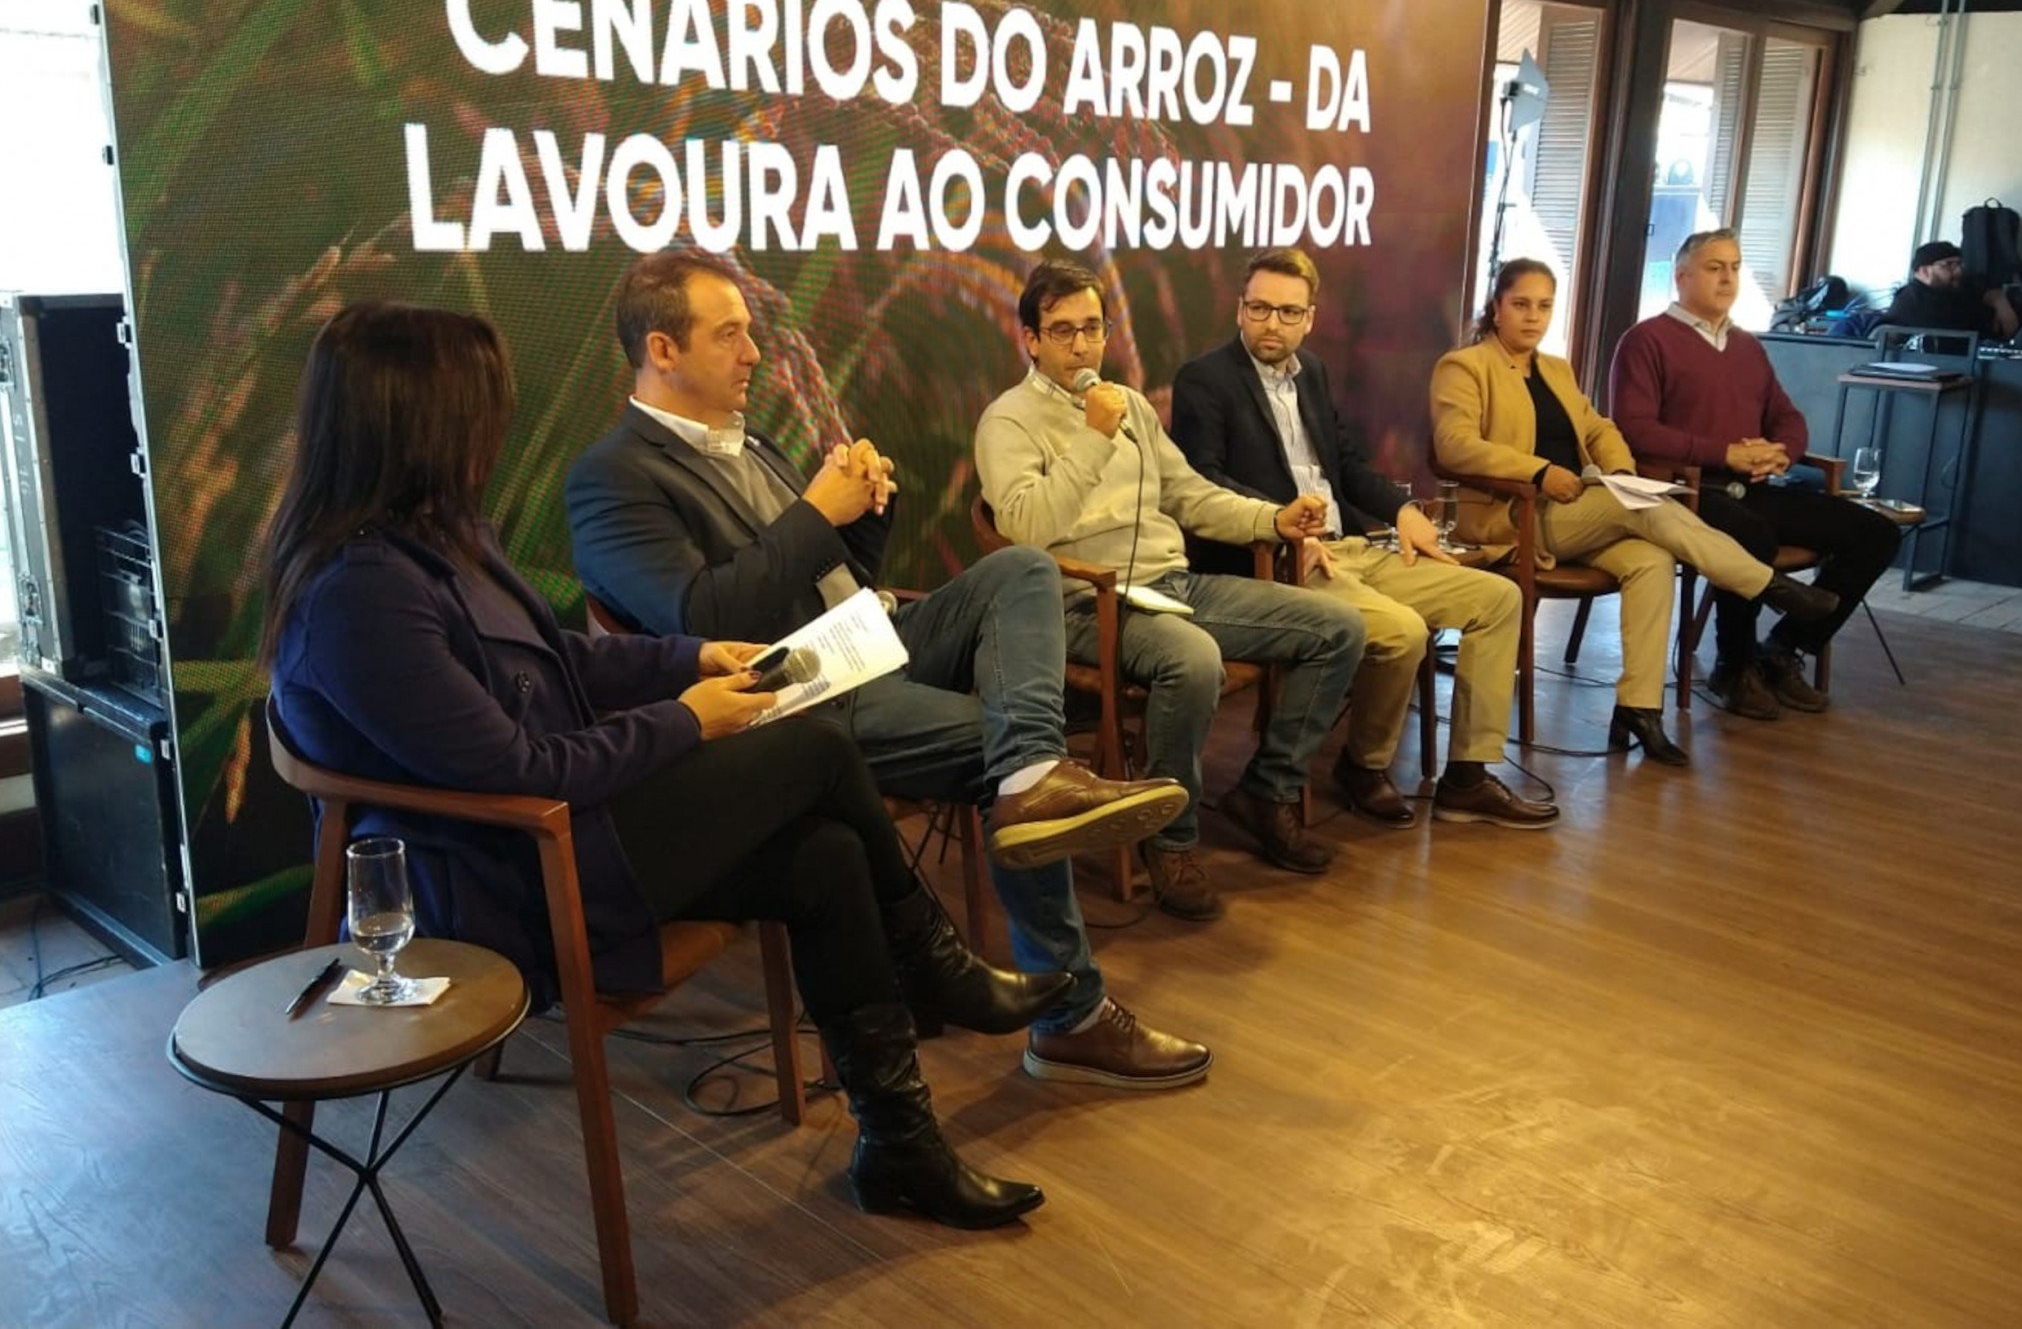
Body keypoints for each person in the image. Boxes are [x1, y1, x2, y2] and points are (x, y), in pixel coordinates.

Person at [264, 301, 1061, 1229]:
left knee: (825, 859)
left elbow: (565, 659)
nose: (496, 428)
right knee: (813, 744)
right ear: (418, 422)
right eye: (481, 409)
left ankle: (900, 1144)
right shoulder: (360, 594)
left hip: (575, 835)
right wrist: (687, 722)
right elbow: (520, 768)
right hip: (517, 881)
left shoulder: (434, 540)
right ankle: (934, 964)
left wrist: (690, 659)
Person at [566, 251, 1210, 1092]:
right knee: (1001, 749)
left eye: (752, 334)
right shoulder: (611, 476)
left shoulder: (749, 439)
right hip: (791, 694)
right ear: (662, 349)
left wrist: (867, 510)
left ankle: (1033, 773)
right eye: (730, 336)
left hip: (865, 635)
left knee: (1022, 571)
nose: (755, 354)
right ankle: (1073, 1017)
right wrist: (813, 511)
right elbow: (701, 621)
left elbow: (825, 570)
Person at [976, 260, 1367, 920]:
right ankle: (1171, 837)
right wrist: (1094, 438)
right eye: (1063, 330)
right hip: (1080, 603)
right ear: (1030, 339)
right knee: (1192, 658)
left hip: (1171, 582)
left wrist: (1269, 519)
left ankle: (1268, 790)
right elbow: (1026, 527)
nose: (1080, 345)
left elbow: (1188, 494)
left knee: (1338, 627)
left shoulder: (1127, 403)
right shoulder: (1008, 421)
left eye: (1092, 328)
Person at [1172, 248, 1557, 830]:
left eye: (1287, 312)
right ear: (1239, 311)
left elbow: (1346, 465)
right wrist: (1279, 523)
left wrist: (1402, 510)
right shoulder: (1205, 379)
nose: (1272, 323)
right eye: (1260, 309)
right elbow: (1203, 479)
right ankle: (1363, 765)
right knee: (1401, 632)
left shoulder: (1314, 374)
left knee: (1499, 599)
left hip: (1349, 542)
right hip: (1272, 556)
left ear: (1310, 317)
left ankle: (1468, 776)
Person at [1433, 258, 1839, 765]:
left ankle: (1639, 708)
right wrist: (1539, 471)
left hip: (1582, 507)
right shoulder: (1464, 366)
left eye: (1543, 306)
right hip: (1520, 515)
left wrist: (1621, 473)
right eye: (1520, 305)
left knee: (1651, 559)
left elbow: (1600, 428)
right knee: (1650, 512)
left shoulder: (1555, 368)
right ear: (1496, 308)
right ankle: (1767, 586)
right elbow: (1454, 446)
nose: (1533, 317)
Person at [1609, 231, 1900, 719]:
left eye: (1735, 267)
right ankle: (1734, 666)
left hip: (1755, 486)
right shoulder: (1646, 340)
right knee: (1752, 536)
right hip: (1688, 492)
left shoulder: (1747, 346)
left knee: (1875, 532)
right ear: (1681, 276)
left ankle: (1782, 649)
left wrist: (1781, 453)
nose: (1728, 278)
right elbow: (1635, 431)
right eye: (1714, 267)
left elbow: (1787, 417)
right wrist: (1725, 453)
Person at [1885, 240, 2019, 340]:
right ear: (1925, 271)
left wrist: (2000, 301)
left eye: (1959, 264)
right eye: (1949, 265)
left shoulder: (1952, 288)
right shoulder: (1911, 301)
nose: (1958, 271)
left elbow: (1984, 288)